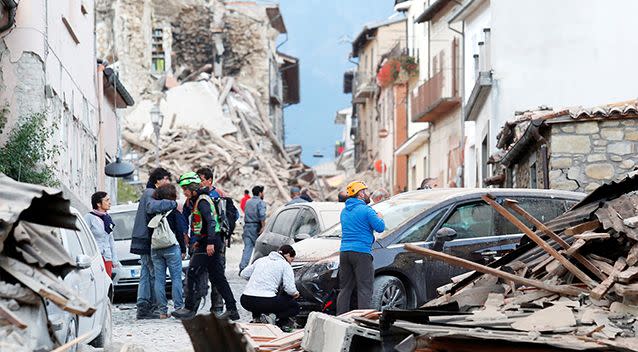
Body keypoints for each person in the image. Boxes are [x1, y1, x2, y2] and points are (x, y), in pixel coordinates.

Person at [172, 172, 240, 321]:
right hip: (207, 241)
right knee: (218, 278)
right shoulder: (199, 199)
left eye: (185, 189)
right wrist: (200, 240)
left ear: (193, 188)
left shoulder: (202, 201)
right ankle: (232, 309)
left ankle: (189, 308)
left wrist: (209, 242)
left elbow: (211, 222)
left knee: (192, 272)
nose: (184, 192)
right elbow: (202, 224)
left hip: (211, 243)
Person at [130, 168, 178, 320]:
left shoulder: (148, 192)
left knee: (146, 272)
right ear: (158, 180)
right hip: (146, 239)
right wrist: (172, 203)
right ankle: (146, 306)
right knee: (149, 275)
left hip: (142, 238)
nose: (167, 182)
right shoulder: (150, 193)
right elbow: (151, 207)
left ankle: (144, 307)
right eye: (165, 179)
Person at [336, 181, 385, 315]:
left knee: (345, 288)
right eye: (366, 191)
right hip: (361, 253)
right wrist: (380, 217)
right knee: (364, 288)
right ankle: (364, 318)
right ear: (360, 194)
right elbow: (380, 227)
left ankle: (340, 318)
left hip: (345, 252)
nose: (368, 193)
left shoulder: (344, 211)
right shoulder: (367, 210)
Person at [196, 167, 240, 315]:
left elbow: (233, 216)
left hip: (215, 240)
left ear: (209, 180)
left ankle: (217, 306)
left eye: (201, 180)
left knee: (216, 273)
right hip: (205, 240)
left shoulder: (219, 195)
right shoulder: (201, 195)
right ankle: (199, 306)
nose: (199, 183)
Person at [240, 245, 300, 331]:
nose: (291, 262)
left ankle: (257, 318)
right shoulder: (285, 265)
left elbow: (243, 274)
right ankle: (274, 318)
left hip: (246, 300)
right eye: (292, 259)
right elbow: (289, 289)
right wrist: (296, 293)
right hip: (266, 302)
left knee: (259, 298)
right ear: (288, 255)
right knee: (294, 307)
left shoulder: (261, 260)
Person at [150, 184, 187, 319]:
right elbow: (180, 231)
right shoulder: (174, 212)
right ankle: (178, 308)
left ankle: (162, 312)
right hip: (171, 247)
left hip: (156, 248)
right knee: (176, 278)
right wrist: (183, 249)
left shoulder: (153, 211)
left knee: (159, 280)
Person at [85, 192, 118, 278]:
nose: (109, 202)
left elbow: (111, 240)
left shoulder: (107, 218)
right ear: (98, 204)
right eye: (107, 200)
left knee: (107, 286)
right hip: (95, 257)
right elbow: (84, 236)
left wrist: (114, 259)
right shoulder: (89, 217)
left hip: (107, 257)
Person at [240, 185, 266, 272]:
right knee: (259, 249)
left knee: (247, 247)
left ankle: (242, 267)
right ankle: (256, 269)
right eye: (262, 192)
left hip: (247, 226)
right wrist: (263, 227)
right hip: (256, 227)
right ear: (260, 193)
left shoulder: (248, 202)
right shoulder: (260, 202)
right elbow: (262, 215)